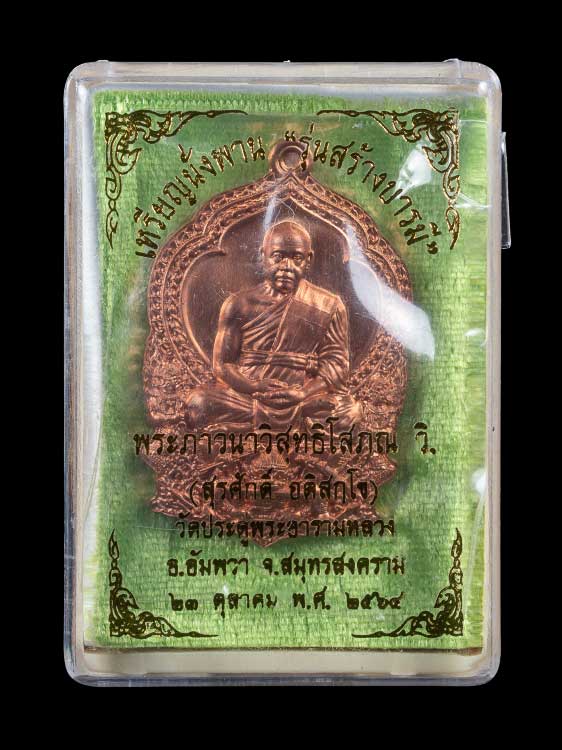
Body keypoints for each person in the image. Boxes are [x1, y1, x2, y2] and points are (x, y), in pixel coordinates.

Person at [186, 220, 362, 431]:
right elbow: (223, 365)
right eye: (278, 257)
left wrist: (303, 393)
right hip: (250, 395)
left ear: (308, 260)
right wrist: (254, 386)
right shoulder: (239, 304)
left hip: (302, 396)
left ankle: (253, 424)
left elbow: (336, 366)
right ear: (264, 256)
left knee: (348, 411)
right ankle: (294, 421)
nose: (287, 266)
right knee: (199, 404)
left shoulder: (329, 305)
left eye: (296, 258)